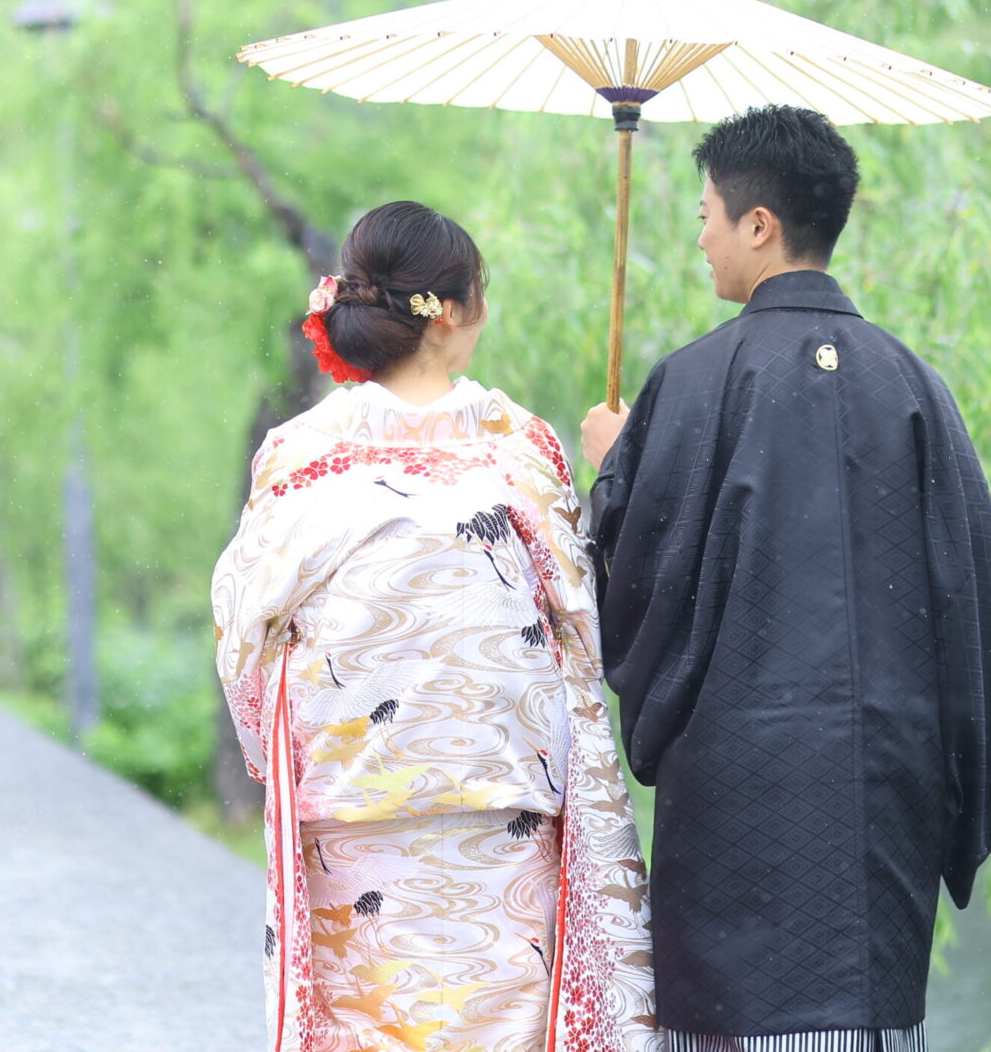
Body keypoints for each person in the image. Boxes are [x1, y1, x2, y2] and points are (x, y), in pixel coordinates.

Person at [580, 106, 991, 1052]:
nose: (700, 235)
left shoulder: (695, 382)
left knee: (736, 1024)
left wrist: (613, 464)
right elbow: (982, 626)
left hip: (738, 794)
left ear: (759, 225)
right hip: (887, 789)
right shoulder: (914, 383)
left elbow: (627, 596)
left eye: (707, 214)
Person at [214, 201, 659, 1052]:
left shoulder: (298, 453)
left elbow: (244, 634)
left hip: (350, 813)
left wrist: (284, 754)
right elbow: (584, 629)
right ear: (451, 311)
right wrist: (625, 475)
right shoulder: (519, 447)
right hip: (503, 814)